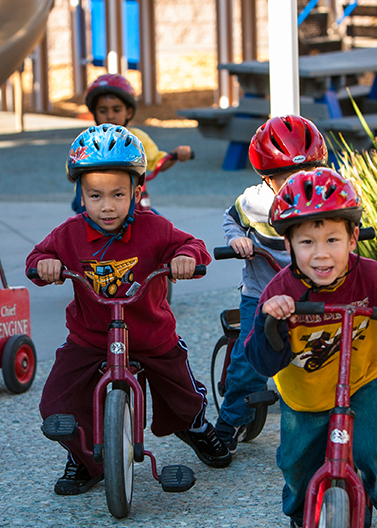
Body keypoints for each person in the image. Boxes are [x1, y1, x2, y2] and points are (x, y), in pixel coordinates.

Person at [26, 125, 230, 496]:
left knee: (182, 395)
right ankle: (86, 457)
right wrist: (45, 265)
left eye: (119, 195)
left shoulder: (153, 227)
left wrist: (185, 258)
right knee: (57, 401)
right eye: (96, 195)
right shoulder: (70, 234)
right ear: (81, 195)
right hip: (90, 337)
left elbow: (191, 244)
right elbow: (38, 256)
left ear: (137, 192)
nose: (107, 206)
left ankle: (196, 426)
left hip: (150, 334)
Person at [244, 168, 377, 528]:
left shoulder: (372, 276)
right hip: (306, 393)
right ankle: (302, 507)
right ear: (289, 246)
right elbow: (260, 360)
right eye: (307, 242)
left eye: (332, 239)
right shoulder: (281, 290)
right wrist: (274, 320)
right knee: (296, 461)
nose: (321, 254)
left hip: (364, 379)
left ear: (352, 239)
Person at [215, 115, 328, 456]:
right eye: (287, 178)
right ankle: (230, 421)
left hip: (310, 291)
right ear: (267, 178)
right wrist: (238, 241)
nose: (298, 185)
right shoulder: (254, 202)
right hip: (263, 293)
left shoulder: (321, 196)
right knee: (249, 356)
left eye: (305, 175)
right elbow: (231, 219)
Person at [73, 73, 192, 212]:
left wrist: (176, 154)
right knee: (84, 225)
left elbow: (158, 162)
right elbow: (72, 171)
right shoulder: (87, 140)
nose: (110, 115)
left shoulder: (137, 138)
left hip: (129, 197)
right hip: (92, 199)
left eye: (116, 110)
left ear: (128, 112)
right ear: (94, 113)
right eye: (103, 110)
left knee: (162, 228)